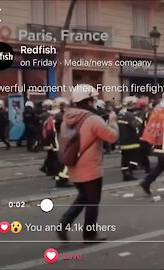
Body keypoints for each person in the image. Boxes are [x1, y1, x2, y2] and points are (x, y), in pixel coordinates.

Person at [57, 84, 119, 243]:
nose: (95, 102)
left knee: (83, 197)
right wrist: (113, 122)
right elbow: (112, 138)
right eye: (93, 99)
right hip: (90, 168)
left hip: (73, 166)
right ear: (89, 101)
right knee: (92, 201)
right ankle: (89, 234)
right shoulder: (93, 119)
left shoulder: (67, 119)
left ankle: (64, 223)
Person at [117, 96, 142, 181]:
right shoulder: (129, 115)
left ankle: (125, 173)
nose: (135, 106)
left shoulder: (120, 114)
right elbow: (137, 124)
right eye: (134, 104)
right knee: (134, 159)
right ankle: (129, 173)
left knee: (124, 159)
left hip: (122, 141)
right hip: (131, 141)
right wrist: (139, 117)